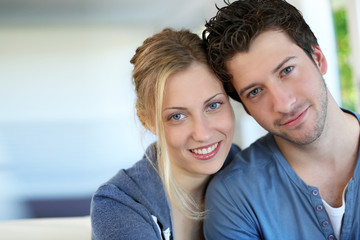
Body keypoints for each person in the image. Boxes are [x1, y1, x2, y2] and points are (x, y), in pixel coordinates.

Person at [202, 0, 360, 239]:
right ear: (246, 108)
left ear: (318, 59)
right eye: (255, 92)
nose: (283, 105)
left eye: (286, 70)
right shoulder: (234, 196)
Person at [90, 28, 240, 240]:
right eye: (177, 116)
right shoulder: (120, 204)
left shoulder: (257, 171)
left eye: (213, 105)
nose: (203, 133)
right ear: (147, 121)